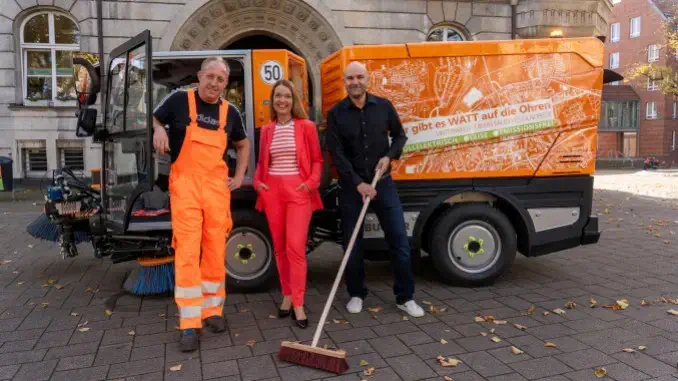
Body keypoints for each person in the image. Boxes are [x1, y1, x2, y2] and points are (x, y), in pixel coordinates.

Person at [152, 56, 250, 352]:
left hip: (216, 189)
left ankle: (213, 311)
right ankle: (190, 322)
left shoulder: (230, 112)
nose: (215, 83)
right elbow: (153, 117)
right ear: (199, 76)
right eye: (210, 77)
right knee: (187, 251)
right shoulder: (179, 100)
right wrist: (158, 128)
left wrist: (240, 176)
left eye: (221, 79)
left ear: (225, 83)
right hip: (186, 187)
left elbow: (242, 145)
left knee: (215, 250)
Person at [325, 61, 425, 318]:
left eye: (359, 77)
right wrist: (358, 183)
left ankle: (405, 297)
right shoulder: (336, 113)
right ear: (344, 82)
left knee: (399, 241)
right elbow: (337, 153)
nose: (355, 82)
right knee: (352, 244)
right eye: (350, 78)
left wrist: (389, 156)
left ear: (367, 79)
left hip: (384, 183)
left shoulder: (384, 106)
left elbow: (400, 136)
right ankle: (357, 294)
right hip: (351, 188)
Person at [253, 79, 324, 329]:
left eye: (286, 96)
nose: (282, 100)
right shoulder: (266, 130)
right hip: (272, 191)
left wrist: (311, 182)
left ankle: (298, 302)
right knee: (280, 248)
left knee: (295, 247)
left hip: (298, 191)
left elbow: (317, 160)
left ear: (294, 101)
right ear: (273, 101)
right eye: (278, 96)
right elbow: (262, 163)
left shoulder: (306, 127)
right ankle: (286, 294)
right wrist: (257, 181)